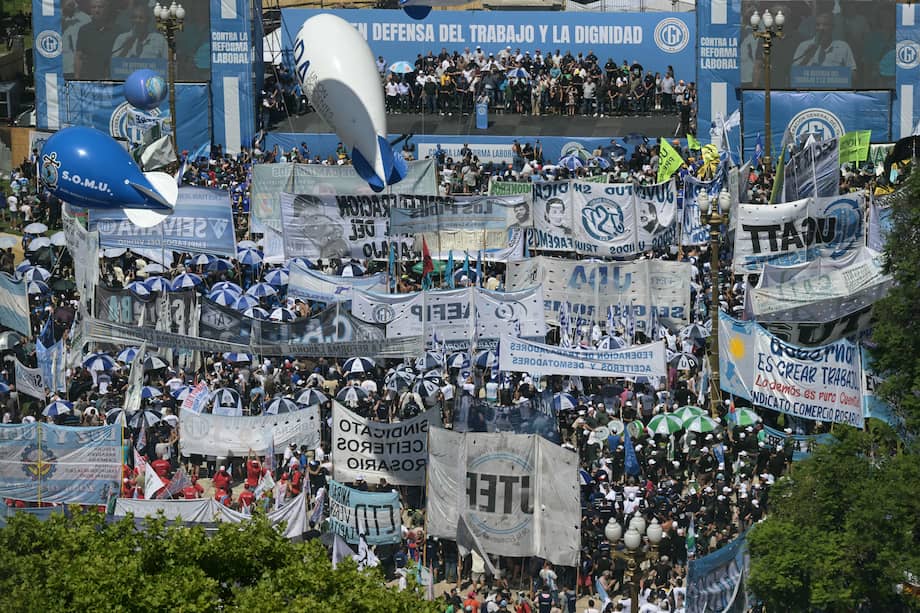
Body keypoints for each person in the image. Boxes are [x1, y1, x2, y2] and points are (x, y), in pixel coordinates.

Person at [791, 11, 856, 74]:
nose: (821, 28)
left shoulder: (843, 47)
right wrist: (807, 57)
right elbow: (794, 74)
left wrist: (834, 74)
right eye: (818, 25)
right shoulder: (804, 46)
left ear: (833, 27)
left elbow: (854, 74)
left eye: (825, 25)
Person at [74, 0, 118, 80]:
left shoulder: (117, 30)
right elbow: (79, 56)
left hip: (110, 78)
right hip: (89, 78)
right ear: (90, 10)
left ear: (107, 9)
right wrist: (77, 77)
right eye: (93, 7)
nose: (97, 10)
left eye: (100, 7)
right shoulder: (84, 30)